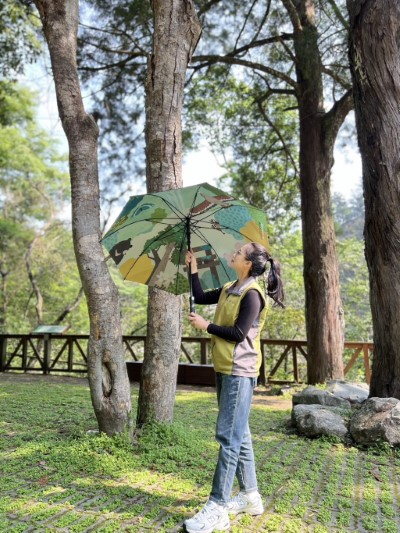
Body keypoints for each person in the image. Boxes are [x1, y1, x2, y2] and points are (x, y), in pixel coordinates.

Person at [183, 242, 284, 533]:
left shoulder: (253, 294)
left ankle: (217, 507)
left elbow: (239, 334)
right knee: (241, 434)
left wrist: (206, 327)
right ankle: (251, 496)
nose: (234, 253)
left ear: (248, 263)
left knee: (228, 437)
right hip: (224, 368)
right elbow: (200, 296)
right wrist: (193, 269)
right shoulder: (230, 286)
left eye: (239, 252)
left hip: (240, 372)